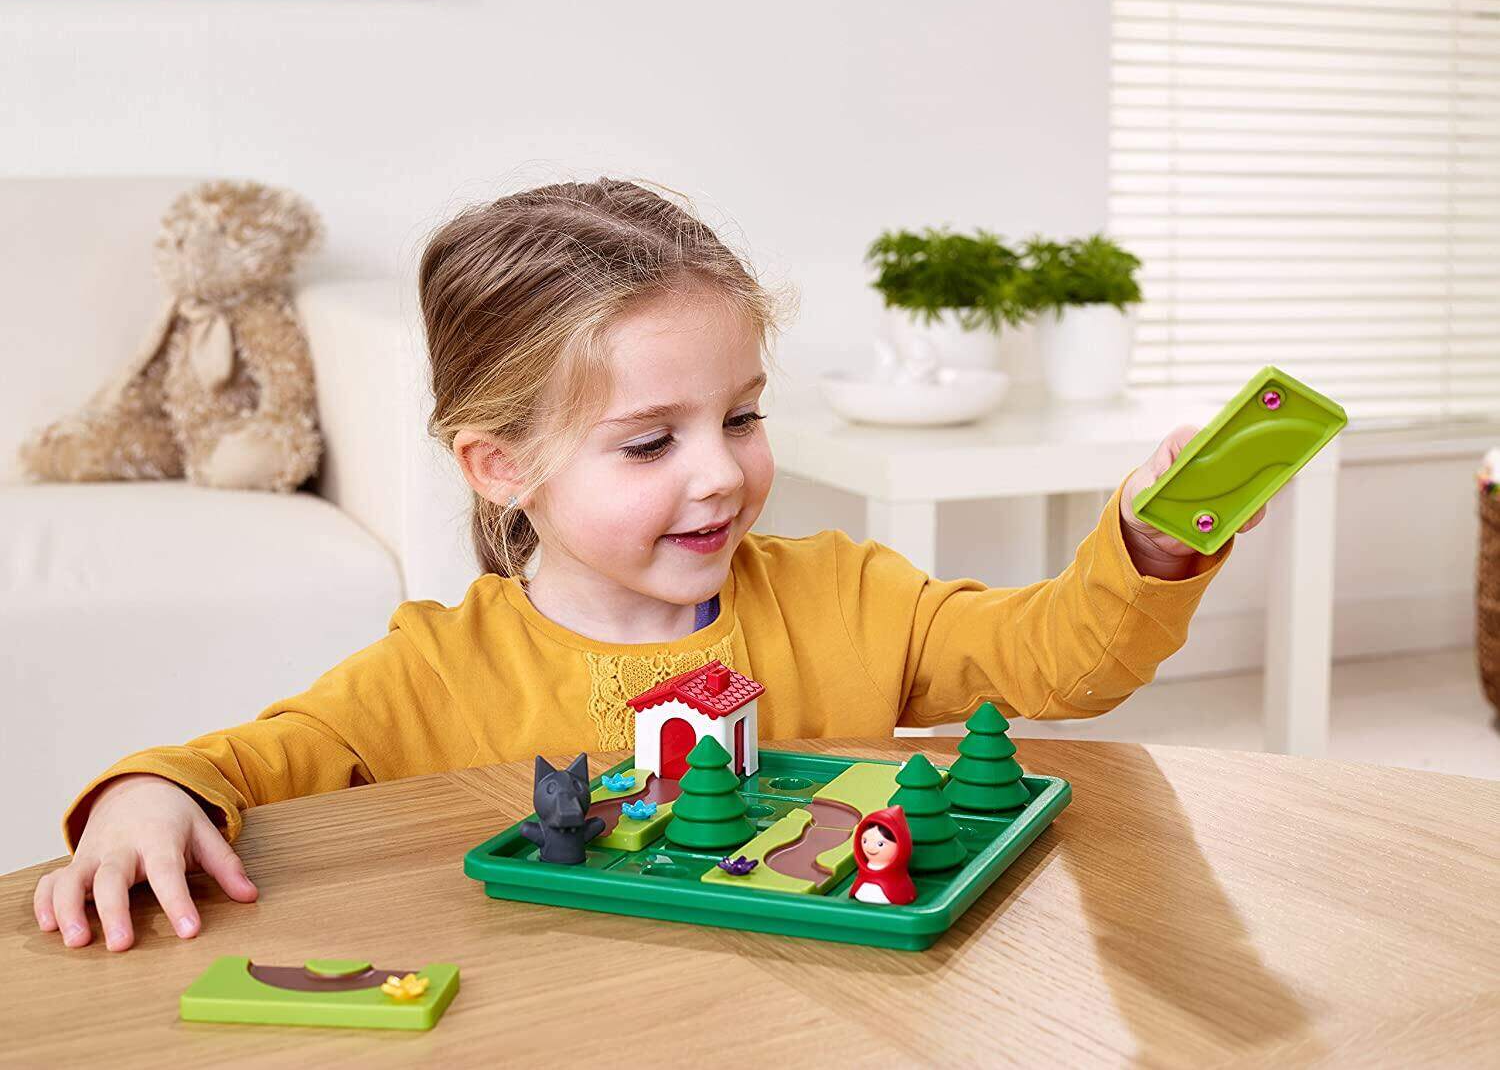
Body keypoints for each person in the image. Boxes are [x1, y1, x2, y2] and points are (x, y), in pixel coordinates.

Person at [33, 178, 1259, 952]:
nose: (720, 471)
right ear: (502, 466)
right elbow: (240, 763)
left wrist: (1144, 546)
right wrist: (148, 792)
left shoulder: (849, 594)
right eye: (649, 441)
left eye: (742, 415)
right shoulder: (430, 671)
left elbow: (1057, 658)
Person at [850, 806, 916, 905]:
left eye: (880, 844)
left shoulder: (898, 885)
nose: (870, 847)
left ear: (900, 844)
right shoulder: (862, 875)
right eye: (865, 841)